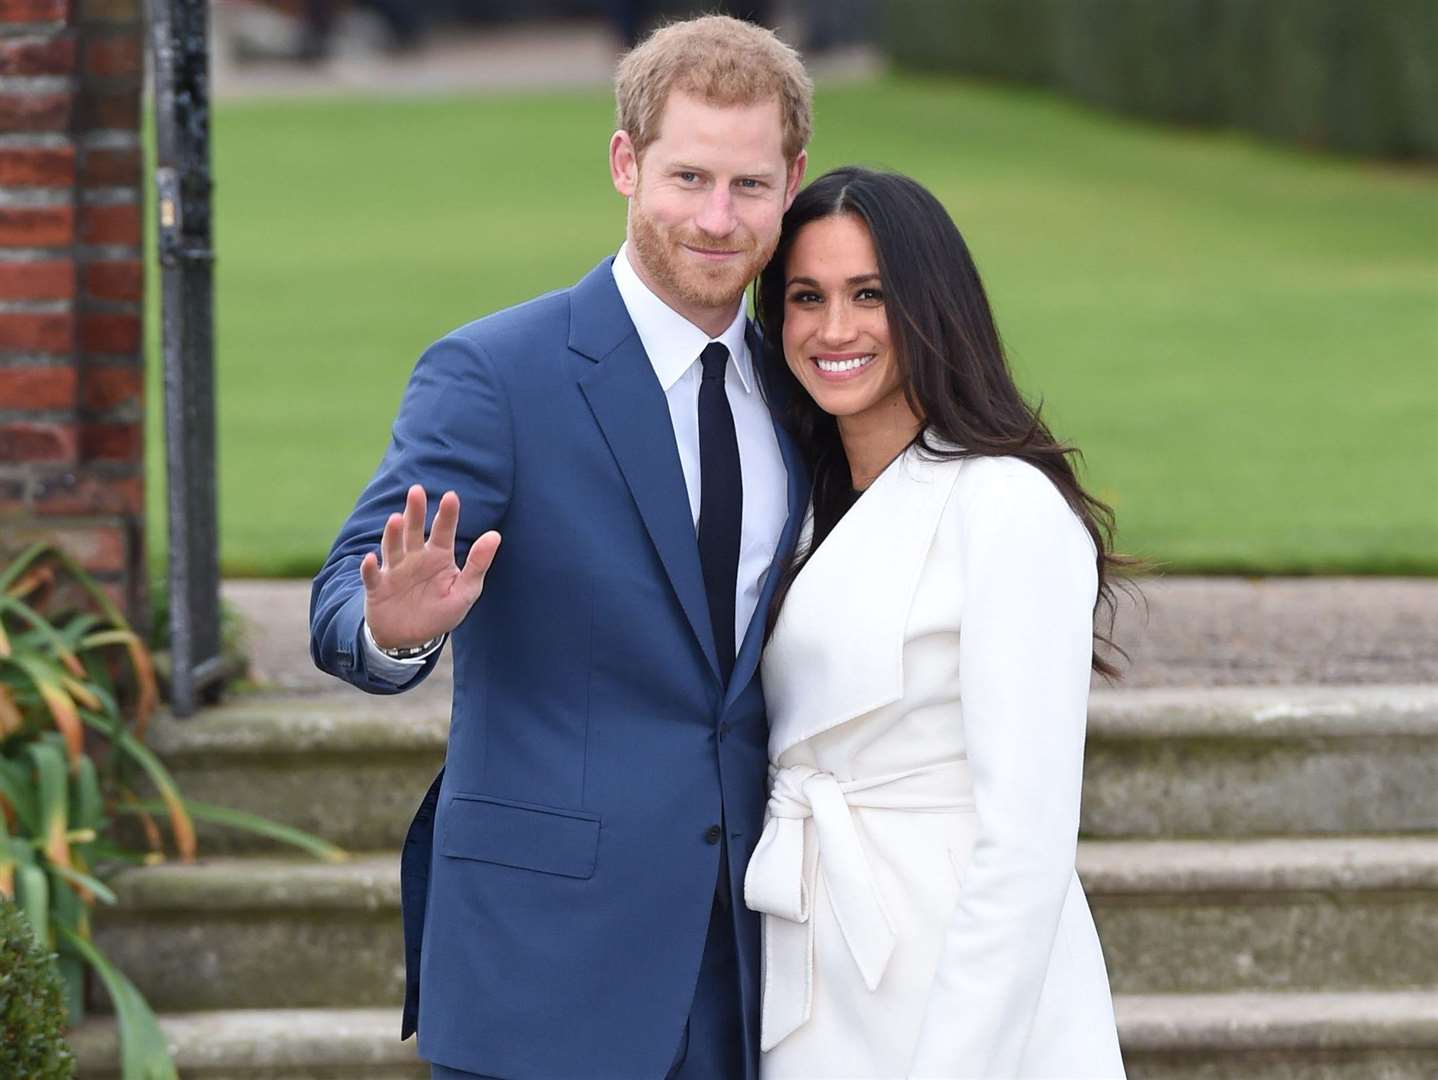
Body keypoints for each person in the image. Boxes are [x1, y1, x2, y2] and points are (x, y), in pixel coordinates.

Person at [308, 16, 810, 1080]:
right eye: (687, 177)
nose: (716, 219)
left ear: (790, 181)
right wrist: (390, 632)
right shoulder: (495, 374)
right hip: (542, 975)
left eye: (749, 186)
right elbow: (343, 602)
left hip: (749, 976)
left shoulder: (802, 390)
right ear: (626, 164)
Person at [743, 167, 1128, 1079]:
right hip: (817, 960)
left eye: (869, 295)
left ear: (930, 307)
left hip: (964, 980)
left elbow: (1026, 845)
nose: (835, 330)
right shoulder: (793, 506)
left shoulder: (1005, 505)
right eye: (807, 298)